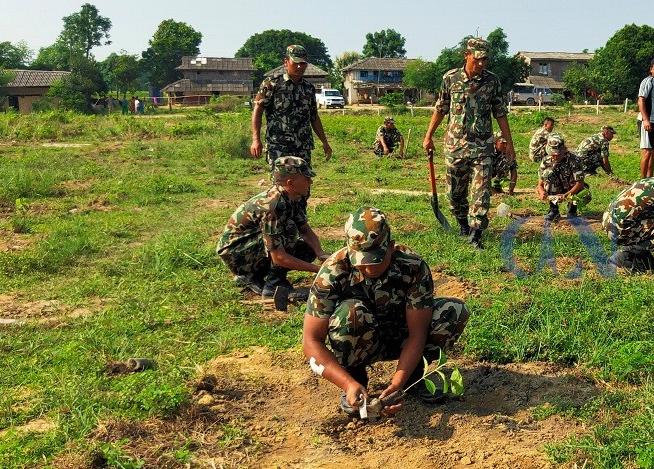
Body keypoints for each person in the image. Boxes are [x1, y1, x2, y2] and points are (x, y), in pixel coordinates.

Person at [303, 207, 471, 416]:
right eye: (362, 263)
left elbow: (417, 333)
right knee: (351, 313)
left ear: (391, 247)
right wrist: (347, 383)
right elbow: (311, 341)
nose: (370, 269)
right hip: (359, 340)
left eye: (377, 260)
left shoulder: (412, 266)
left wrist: (398, 382)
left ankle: (415, 376)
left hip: (402, 337)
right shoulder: (332, 272)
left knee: (452, 311)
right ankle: (356, 380)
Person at [423, 38, 516, 249]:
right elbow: (441, 108)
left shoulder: (492, 82)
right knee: (455, 193)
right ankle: (463, 224)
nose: (482, 64)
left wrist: (509, 144)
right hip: (455, 145)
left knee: (481, 192)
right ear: (467, 55)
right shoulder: (451, 78)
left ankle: (476, 234)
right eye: (478, 59)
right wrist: (429, 136)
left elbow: (500, 113)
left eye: (485, 60)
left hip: (483, 146)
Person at [216, 156, 327, 309]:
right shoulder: (272, 206)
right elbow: (279, 257)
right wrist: (320, 270)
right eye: (306, 178)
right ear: (291, 183)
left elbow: (305, 230)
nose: (310, 182)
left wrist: (320, 253)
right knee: (287, 233)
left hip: (252, 248)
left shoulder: (290, 197)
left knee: (306, 250)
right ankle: (272, 286)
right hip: (236, 254)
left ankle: (255, 277)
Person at [251, 45, 333, 171]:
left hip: (303, 147)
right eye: (296, 62)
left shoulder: (308, 88)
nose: (300, 66)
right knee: (281, 186)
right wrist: (256, 140)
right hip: (279, 146)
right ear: (286, 62)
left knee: (302, 185)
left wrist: (325, 142)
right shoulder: (271, 84)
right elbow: (258, 111)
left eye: (303, 63)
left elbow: (314, 117)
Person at [536, 133, 591, 221]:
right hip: (556, 188)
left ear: (564, 150)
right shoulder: (546, 160)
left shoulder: (574, 160)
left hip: (572, 188)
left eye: (557, 154)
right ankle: (554, 210)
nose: (554, 157)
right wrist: (542, 192)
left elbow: (579, 183)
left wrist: (566, 195)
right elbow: (540, 183)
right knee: (548, 174)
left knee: (585, 195)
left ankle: (572, 209)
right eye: (552, 154)